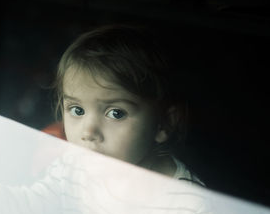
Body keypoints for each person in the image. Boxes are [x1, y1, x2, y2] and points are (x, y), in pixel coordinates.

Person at [51, 24, 204, 186]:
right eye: (77, 110)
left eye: (116, 113)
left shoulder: (187, 202)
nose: (88, 132)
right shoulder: (71, 166)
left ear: (164, 123)